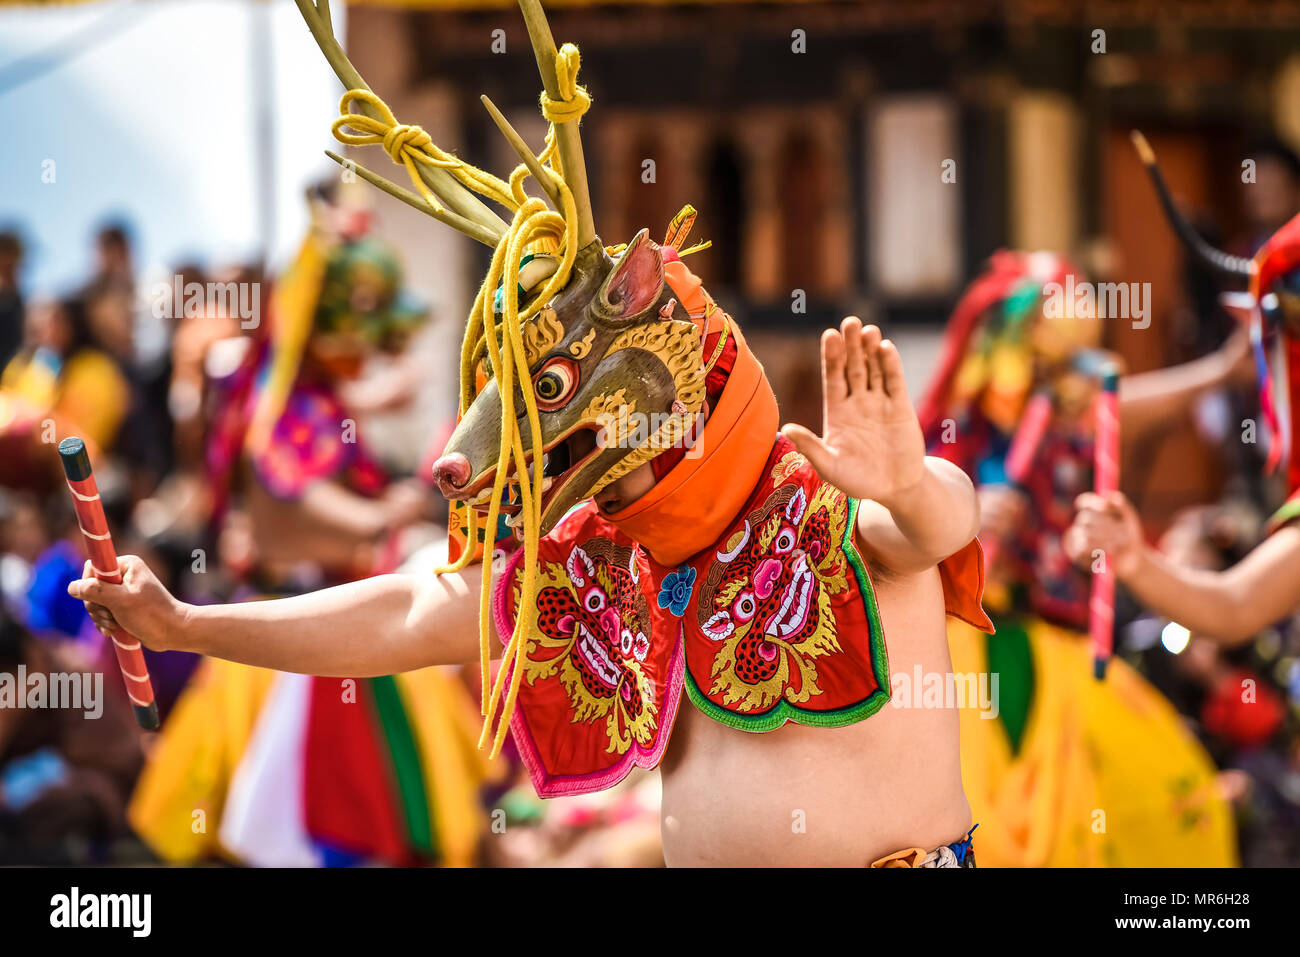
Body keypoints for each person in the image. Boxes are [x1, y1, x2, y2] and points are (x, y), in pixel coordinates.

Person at [921, 250, 1238, 867]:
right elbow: (894, 522)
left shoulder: (1072, 426)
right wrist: (963, 519)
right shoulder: (950, 434)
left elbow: (1135, 407)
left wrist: (1225, 371)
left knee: (1148, 781)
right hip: (959, 650)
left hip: (1056, 647)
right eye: (1043, 351)